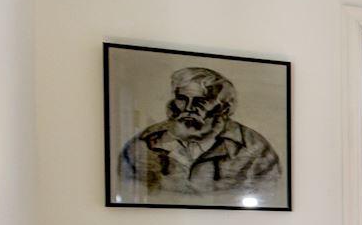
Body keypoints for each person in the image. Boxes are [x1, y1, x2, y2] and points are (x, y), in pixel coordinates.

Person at [118, 66, 283, 198]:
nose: (189, 108)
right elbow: (127, 192)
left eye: (201, 101)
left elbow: (270, 196)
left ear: (224, 107)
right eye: (182, 99)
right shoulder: (144, 143)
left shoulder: (255, 149)